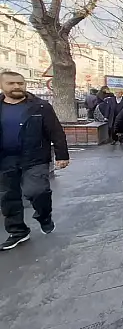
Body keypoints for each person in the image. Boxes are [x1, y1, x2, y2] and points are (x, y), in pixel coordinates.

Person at [0, 72, 69, 251]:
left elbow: (56, 131)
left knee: (37, 190)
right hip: (5, 160)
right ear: (2, 85)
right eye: (11, 83)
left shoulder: (40, 106)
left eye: (20, 83)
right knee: (8, 197)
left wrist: (62, 155)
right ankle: (18, 232)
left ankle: (44, 215)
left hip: (34, 158)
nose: (16, 86)